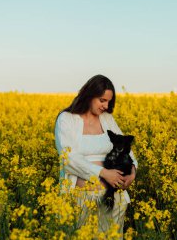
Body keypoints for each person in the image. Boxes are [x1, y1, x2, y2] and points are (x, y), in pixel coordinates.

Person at [54, 74, 138, 236]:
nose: (106, 106)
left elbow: (127, 148)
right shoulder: (67, 119)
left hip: (113, 200)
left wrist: (133, 172)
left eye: (109, 102)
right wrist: (104, 173)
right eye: (102, 100)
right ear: (89, 95)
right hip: (81, 200)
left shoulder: (107, 119)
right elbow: (68, 159)